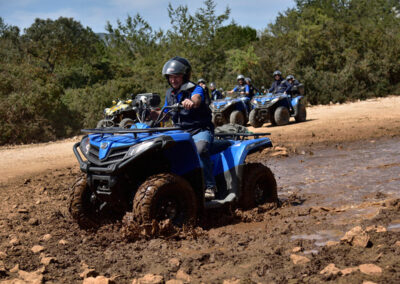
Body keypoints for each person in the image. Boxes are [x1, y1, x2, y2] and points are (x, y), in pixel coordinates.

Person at [160, 56, 217, 200]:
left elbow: (197, 99)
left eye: (177, 76)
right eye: (170, 77)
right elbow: (164, 115)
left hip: (200, 130)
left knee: (201, 149)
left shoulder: (195, 88)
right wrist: (149, 112)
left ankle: (210, 186)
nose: (173, 80)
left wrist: (191, 102)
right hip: (180, 132)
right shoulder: (170, 93)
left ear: (184, 76)